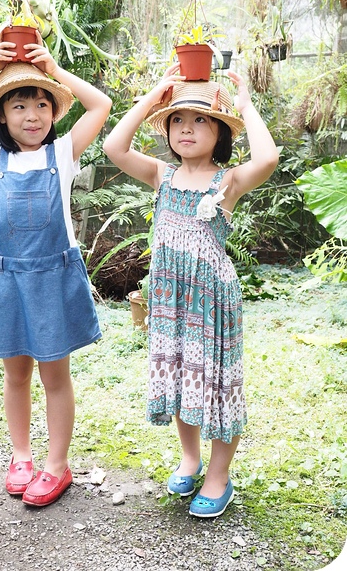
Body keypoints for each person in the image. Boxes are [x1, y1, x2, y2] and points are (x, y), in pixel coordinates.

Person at [0, 37, 112, 506]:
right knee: (15, 376)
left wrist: (52, 69)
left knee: (56, 378)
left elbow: (102, 104)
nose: (32, 115)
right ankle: (21, 457)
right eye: (18, 105)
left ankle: (58, 465)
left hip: (52, 277)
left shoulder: (65, 151)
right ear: (1, 115)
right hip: (7, 277)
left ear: (54, 112)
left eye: (41, 104)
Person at [103, 62, 278, 518]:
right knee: (181, 380)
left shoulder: (229, 181)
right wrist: (151, 99)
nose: (186, 129)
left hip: (212, 302)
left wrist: (245, 106)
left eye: (201, 120)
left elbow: (268, 160)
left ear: (220, 132)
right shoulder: (161, 175)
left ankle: (219, 475)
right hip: (171, 303)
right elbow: (113, 146)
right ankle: (190, 458)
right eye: (177, 120)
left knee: (217, 385)